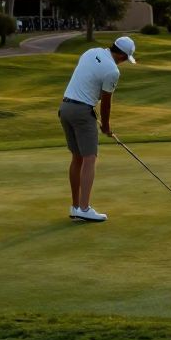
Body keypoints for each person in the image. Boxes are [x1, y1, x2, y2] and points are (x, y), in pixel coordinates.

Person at [58, 36, 136, 222]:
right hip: (82, 113)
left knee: (77, 158)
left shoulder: (91, 52)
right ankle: (84, 208)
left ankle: (75, 207)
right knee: (89, 159)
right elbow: (106, 103)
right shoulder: (113, 71)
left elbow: (88, 82)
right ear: (123, 56)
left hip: (65, 108)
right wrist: (106, 127)